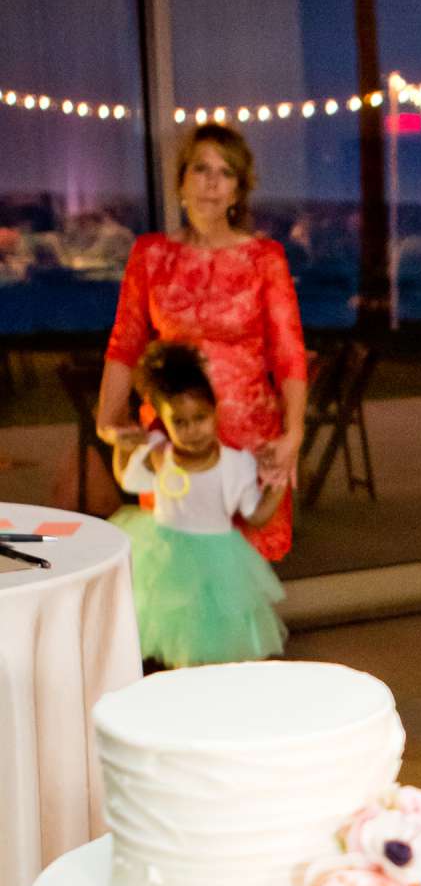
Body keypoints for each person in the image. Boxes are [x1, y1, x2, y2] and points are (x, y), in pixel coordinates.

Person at [96, 123, 307, 564]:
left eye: (225, 172)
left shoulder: (264, 258)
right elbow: (125, 342)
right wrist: (108, 418)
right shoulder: (150, 254)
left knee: (243, 579)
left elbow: (288, 353)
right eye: (201, 168)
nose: (212, 182)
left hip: (249, 442)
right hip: (176, 435)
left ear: (237, 191)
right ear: (181, 181)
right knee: (182, 573)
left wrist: (294, 433)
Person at [112, 341, 287, 668]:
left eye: (200, 417)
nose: (192, 430)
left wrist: (277, 486)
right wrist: (123, 447)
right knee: (176, 638)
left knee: (214, 645)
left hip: (218, 565)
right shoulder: (159, 454)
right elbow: (128, 481)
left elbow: (256, 516)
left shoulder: (237, 464)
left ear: (215, 410)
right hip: (166, 561)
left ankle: (211, 701)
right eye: (179, 422)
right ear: (164, 421)